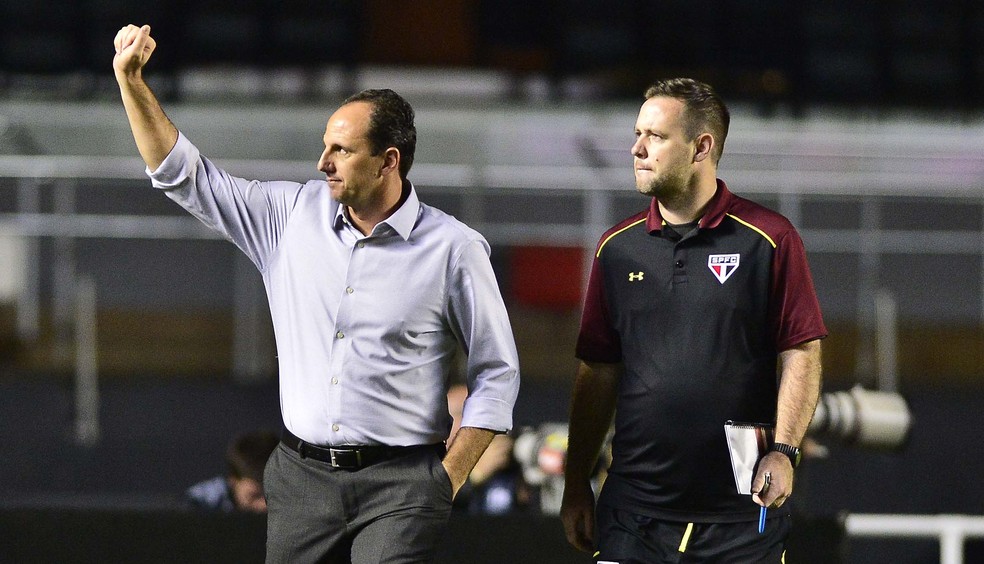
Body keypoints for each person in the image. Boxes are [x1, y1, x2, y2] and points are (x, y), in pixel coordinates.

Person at [113, 24, 520, 563]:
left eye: (341, 150)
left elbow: (497, 371)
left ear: (389, 160)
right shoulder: (288, 216)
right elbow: (184, 176)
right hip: (301, 480)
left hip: (403, 486)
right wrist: (131, 82)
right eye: (325, 146)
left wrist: (448, 477)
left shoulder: (455, 248)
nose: (322, 162)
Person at [560, 78, 826, 563]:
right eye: (638, 134)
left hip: (743, 519)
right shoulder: (616, 248)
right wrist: (576, 481)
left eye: (656, 136)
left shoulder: (770, 239)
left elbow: (802, 353)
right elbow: (597, 372)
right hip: (632, 516)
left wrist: (785, 451)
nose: (637, 149)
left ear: (701, 147)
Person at [186, 430, 280, 513]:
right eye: (255, 496)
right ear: (233, 481)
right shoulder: (199, 504)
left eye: (274, 495)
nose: (265, 506)